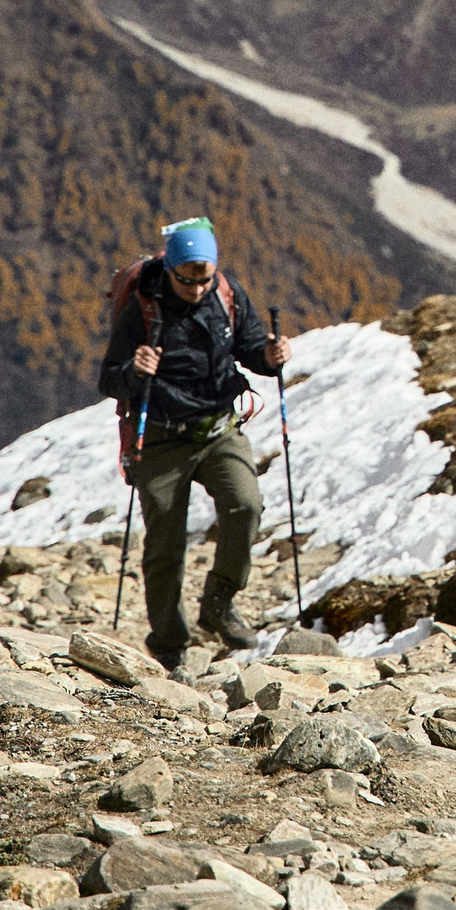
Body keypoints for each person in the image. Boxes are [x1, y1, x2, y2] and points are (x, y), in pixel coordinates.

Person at [95, 217, 292, 668]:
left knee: (245, 505)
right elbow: (110, 379)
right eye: (187, 279)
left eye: (205, 278)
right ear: (171, 270)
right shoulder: (144, 307)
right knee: (165, 545)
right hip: (162, 437)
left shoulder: (228, 294)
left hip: (218, 428)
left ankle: (218, 603)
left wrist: (270, 356)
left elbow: (248, 349)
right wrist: (135, 370)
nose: (197, 288)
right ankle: (169, 643)